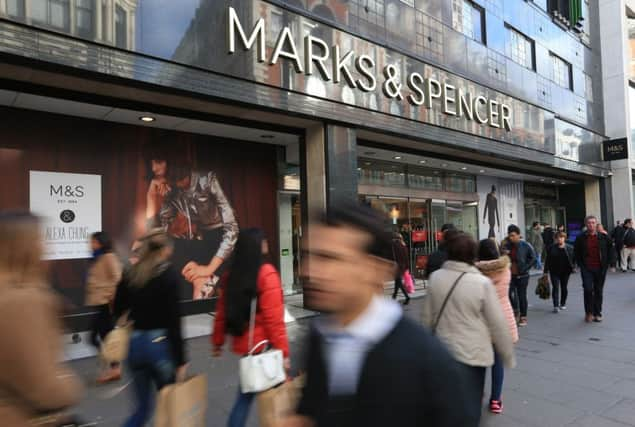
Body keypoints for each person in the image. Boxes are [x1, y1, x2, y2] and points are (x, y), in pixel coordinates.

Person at [285, 202, 472, 427]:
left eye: (329, 258)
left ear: (376, 269)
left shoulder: (428, 362)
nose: (308, 271)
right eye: (308, 256)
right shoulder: (319, 336)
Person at [0, 212, 83, 426]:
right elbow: (44, 388)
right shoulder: (23, 300)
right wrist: (70, 387)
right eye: (41, 240)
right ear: (25, 248)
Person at [424, 233, 514, 423]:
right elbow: (497, 322)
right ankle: (483, 404)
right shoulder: (482, 280)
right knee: (473, 395)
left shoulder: (436, 277)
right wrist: (507, 353)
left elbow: (427, 316)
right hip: (473, 349)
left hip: (444, 345)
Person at [212, 229, 289, 427]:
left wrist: (217, 342)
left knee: (246, 396)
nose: (267, 243)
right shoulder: (266, 273)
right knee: (284, 398)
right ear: (258, 245)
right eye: (264, 240)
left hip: (248, 346)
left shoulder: (231, 274)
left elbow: (222, 311)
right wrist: (284, 353)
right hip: (266, 348)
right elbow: (274, 319)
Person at [113, 230, 187, 427]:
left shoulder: (131, 273)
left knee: (142, 408)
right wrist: (181, 359)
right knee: (170, 406)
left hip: (135, 344)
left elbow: (118, 307)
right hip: (160, 346)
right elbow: (174, 321)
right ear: (164, 250)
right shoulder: (169, 276)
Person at [159, 161, 239, 299]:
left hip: (224, 239)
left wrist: (209, 269)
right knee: (168, 242)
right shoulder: (174, 189)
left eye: (182, 180)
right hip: (204, 240)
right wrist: (161, 198)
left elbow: (232, 229)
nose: (180, 185)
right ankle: (199, 280)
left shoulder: (207, 180)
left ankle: (204, 280)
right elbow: (163, 226)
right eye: (175, 182)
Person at [475, 238, 518, 415]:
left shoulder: (475, 273)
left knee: (479, 362)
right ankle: (495, 400)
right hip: (502, 317)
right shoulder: (505, 269)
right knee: (497, 363)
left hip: (482, 319)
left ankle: (477, 395)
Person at [85, 231, 123, 383]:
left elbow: (118, 279)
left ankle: (114, 368)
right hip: (98, 302)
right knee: (100, 338)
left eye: (93, 242)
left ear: (101, 242)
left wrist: (111, 297)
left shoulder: (109, 257)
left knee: (100, 338)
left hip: (106, 303)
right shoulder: (97, 258)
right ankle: (114, 367)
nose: (91, 244)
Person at [573, 215, 616, 323]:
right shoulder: (580, 237)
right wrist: (578, 264)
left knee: (598, 291)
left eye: (593, 223)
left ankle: (597, 313)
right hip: (587, 268)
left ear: (596, 224)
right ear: (586, 224)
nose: (591, 225)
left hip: (600, 268)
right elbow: (576, 252)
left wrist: (613, 264)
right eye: (589, 223)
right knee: (587, 289)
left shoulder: (604, 237)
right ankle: (589, 312)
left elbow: (611, 250)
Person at [502, 225, 536, 327]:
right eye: (509, 235)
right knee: (509, 294)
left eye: (513, 235)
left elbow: (533, 258)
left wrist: (525, 268)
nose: (511, 237)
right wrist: (504, 254)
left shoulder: (525, 245)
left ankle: (523, 316)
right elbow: (501, 257)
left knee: (521, 295)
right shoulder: (506, 245)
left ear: (518, 235)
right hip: (510, 275)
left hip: (522, 275)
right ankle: (515, 310)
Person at [543, 232, 575, 313]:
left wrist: (573, 266)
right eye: (558, 238)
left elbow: (573, 259)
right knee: (555, 288)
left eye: (561, 237)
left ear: (564, 238)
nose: (559, 239)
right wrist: (545, 271)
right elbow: (548, 260)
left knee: (564, 288)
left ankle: (563, 303)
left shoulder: (569, 248)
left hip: (565, 271)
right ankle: (556, 305)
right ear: (555, 239)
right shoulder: (551, 248)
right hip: (554, 271)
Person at [392, 232, 410, 304]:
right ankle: (394, 298)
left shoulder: (395, 245)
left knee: (398, 282)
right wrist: (407, 267)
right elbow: (406, 257)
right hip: (403, 266)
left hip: (397, 266)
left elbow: (393, 256)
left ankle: (407, 297)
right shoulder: (404, 245)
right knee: (397, 282)